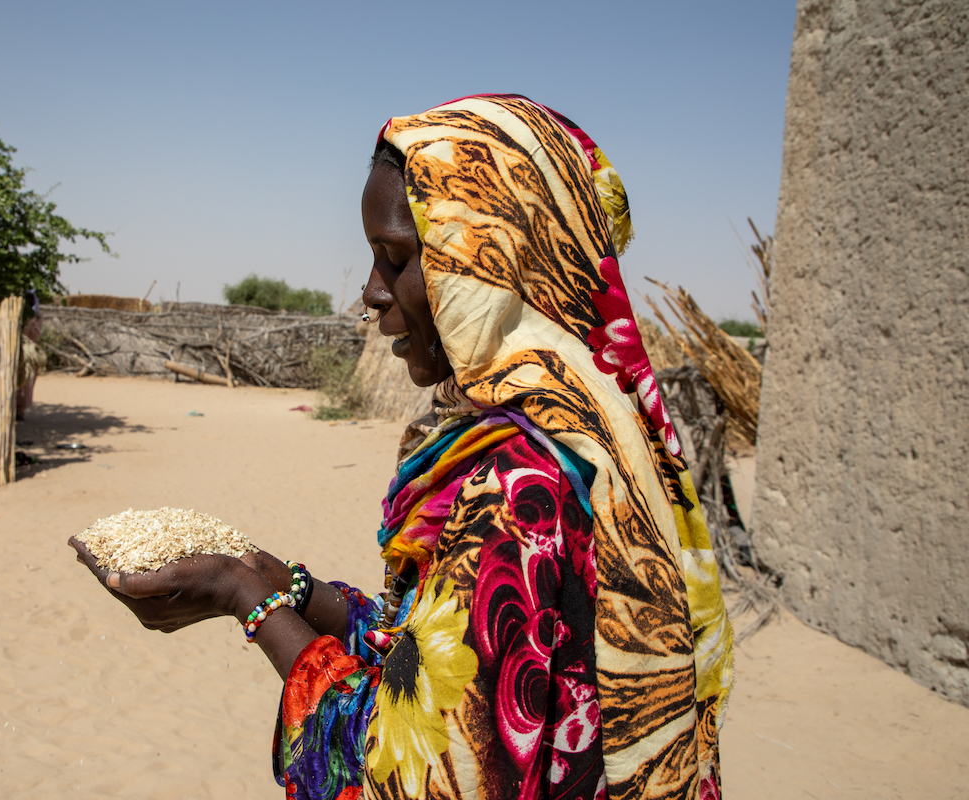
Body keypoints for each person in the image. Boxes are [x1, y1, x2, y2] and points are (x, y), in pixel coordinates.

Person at [71, 94, 733, 800]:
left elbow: (410, 772)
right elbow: (439, 652)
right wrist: (289, 587)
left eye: (397, 257)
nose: (370, 293)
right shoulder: (602, 436)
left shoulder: (517, 485)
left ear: (491, 263)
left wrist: (244, 597)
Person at [16, 288, 46, 421]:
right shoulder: (19, 314)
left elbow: (36, 333)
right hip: (18, 352)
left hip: (29, 353)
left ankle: (21, 410)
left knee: (27, 383)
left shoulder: (37, 316)